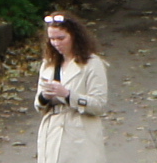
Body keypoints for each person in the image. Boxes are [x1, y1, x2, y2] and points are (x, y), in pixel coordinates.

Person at [36, 10, 111, 163]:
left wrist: (68, 95)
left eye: (61, 38)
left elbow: (99, 105)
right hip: (51, 134)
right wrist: (45, 96)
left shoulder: (92, 64)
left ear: (74, 36)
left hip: (80, 136)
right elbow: (38, 104)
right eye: (52, 39)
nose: (56, 43)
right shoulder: (48, 65)